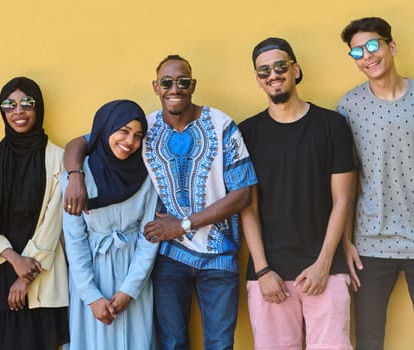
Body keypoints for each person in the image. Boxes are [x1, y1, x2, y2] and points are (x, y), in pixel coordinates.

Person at [63, 55, 257, 350]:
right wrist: (75, 175)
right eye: (167, 82)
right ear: (156, 86)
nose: (175, 88)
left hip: (218, 254)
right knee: (173, 342)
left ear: (193, 85)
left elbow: (243, 193)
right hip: (169, 257)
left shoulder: (222, 125)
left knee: (219, 343)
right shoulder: (146, 128)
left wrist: (184, 225)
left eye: (183, 82)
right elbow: (82, 141)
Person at [239, 38, 356, 350]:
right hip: (270, 274)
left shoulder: (332, 125)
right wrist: (262, 269)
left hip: (326, 270)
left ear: (295, 69)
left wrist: (325, 263)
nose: (273, 75)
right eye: (264, 71)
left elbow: (343, 199)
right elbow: (247, 207)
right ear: (257, 79)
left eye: (280, 67)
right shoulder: (247, 133)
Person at [0, 77, 69, 350]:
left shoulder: (58, 158)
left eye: (27, 103)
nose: (18, 111)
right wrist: (13, 260)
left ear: (39, 108)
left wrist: (25, 275)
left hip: (39, 271)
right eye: (9, 105)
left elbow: (54, 220)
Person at [337, 17, 414, 350]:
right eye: (357, 51)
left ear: (390, 46)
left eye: (372, 45)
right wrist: (345, 242)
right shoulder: (348, 107)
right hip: (370, 243)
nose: (366, 56)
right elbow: (344, 183)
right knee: (369, 339)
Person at [62, 99, 159, 350]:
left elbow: (149, 236)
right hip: (92, 273)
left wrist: (130, 289)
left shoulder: (147, 174)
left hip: (134, 272)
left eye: (138, 136)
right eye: (123, 131)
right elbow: (74, 240)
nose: (129, 142)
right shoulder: (79, 176)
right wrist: (91, 296)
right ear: (106, 129)